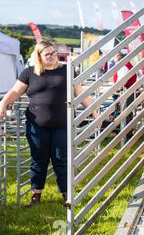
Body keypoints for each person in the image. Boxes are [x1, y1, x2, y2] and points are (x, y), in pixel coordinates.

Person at [0, 40, 99, 207]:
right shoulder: (29, 73)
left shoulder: (67, 71)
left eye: (54, 52)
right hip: (36, 125)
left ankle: (67, 197)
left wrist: (95, 113)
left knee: (62, 159)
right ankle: (35, 196)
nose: (53, 56)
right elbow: (16, 91)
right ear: (39, 56)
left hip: (63, 124)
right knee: (39, 159)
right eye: (48, 54)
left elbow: (80, 92)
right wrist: (3, 104)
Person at [113, 52, 137, 143]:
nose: (115, 62)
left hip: (125, 91)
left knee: (125, 113)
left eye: (115, 59)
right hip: (127, 91)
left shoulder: (124, 66)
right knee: (127, 113)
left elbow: (121, 81)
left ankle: (125, 134)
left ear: (120, 59)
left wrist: (117, 89)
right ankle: (127, 133)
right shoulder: (126, 65)